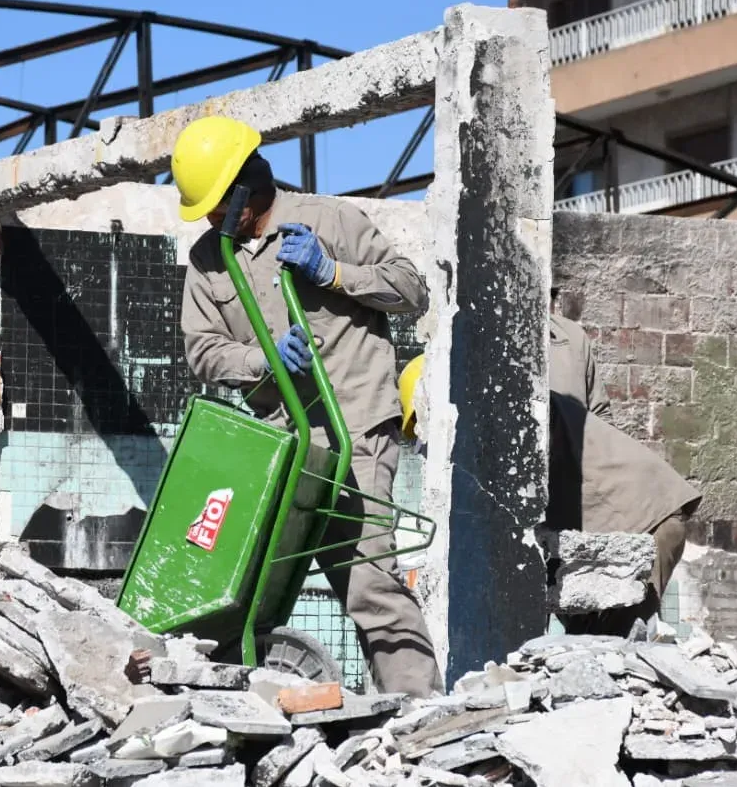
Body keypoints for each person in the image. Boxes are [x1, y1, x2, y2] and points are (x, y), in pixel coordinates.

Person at [172, 115, 443, 699]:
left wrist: (334, 271)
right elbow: (202, 350)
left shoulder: (331, 221)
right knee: (247, 591)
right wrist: (260, 361)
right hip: (283, 446)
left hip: (355, 434)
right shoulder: (208, 261)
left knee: (370, 585)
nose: (217, 221)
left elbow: (411, 290)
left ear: (249, 182)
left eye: (221, 205)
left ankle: (421, 717)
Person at [398, 307, 701, 637]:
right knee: (585, 651)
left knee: (616, 649)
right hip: (606, 530)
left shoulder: (518, 418)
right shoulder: (503, 426)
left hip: (647, 522)